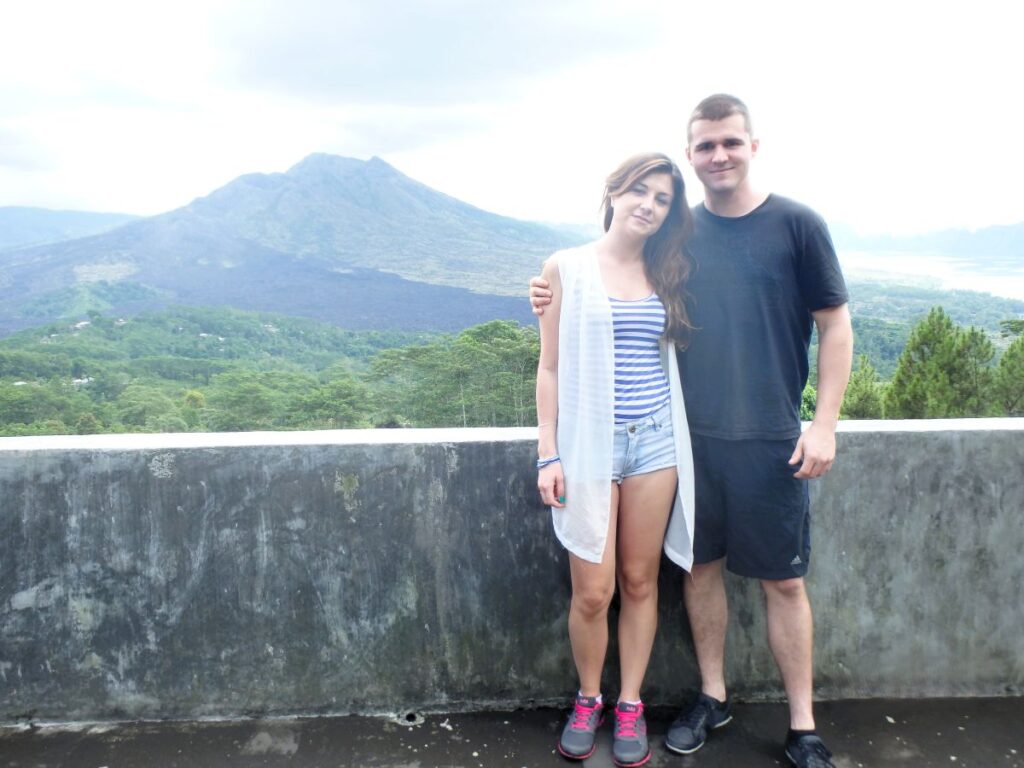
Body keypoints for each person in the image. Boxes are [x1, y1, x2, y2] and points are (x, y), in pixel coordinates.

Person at [531, 95, 853, 768]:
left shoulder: (796, 224)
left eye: (731, 142)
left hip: (766, 437)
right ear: (690, 155)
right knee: (694, 573)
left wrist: (824, 424)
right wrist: (546, 297)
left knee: (781, 581)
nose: (719, 155)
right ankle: (708, 695)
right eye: (705, 146)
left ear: (753, 146)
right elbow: (572, 329)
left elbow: (835, 324)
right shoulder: (681, 240)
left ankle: (802, 727)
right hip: (690, 440)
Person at [535, 152, 697, 768]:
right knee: (594, 592)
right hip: (588, 447)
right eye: (640, 191)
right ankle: (587, 698)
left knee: (639, 580)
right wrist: (547, 453)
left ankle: (628, 702)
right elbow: (547, 367)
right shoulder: (566, 268)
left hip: (656, 442)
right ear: (615, 191)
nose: (649, 205)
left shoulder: (670, 270)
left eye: (661, 199)